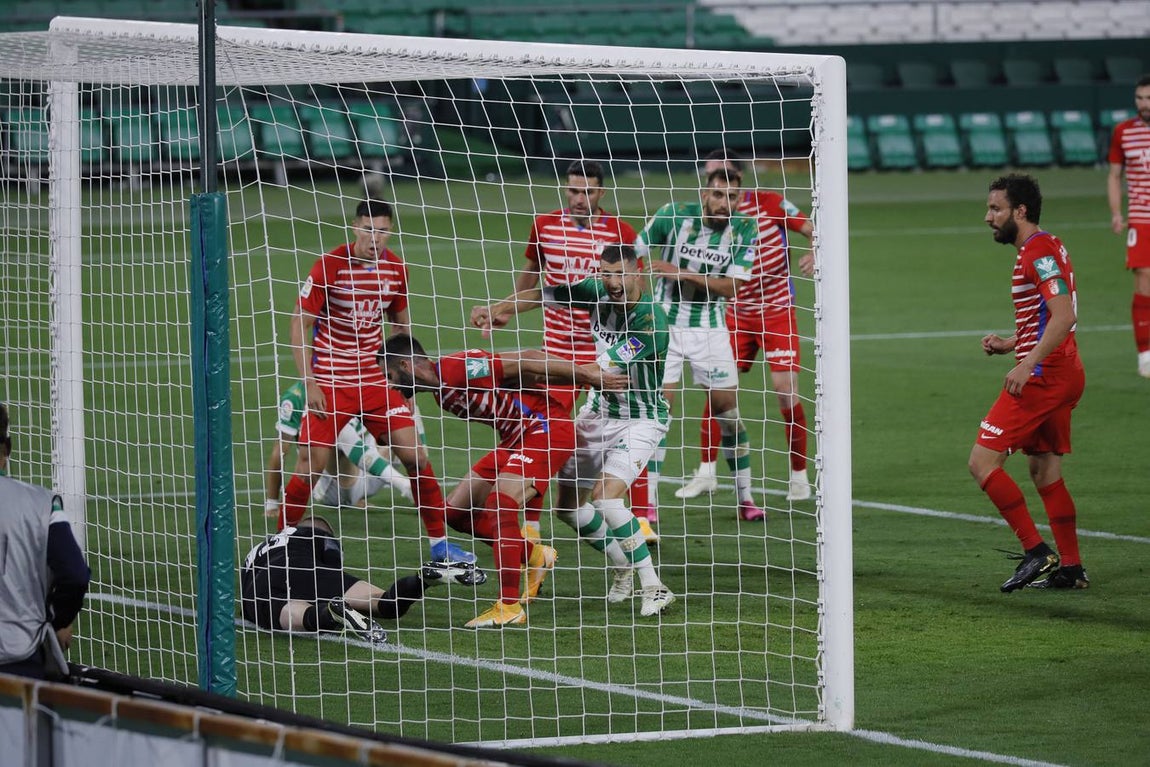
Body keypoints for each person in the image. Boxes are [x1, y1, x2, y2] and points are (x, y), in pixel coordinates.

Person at [473, 244, 676, 617]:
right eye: (606, 274)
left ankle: (654, 586)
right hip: (598, 413)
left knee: (606, 498)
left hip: (641, 419)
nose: (612, 283)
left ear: (637, 273)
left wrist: (531, 367)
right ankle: (622, 567)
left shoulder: (651, 323)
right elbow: (544, 294)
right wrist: (500, 309)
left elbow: (598, 369)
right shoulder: (595, 289)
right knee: (567, 508)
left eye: (620, 274)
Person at [380, 334, 630, 628]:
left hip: (545, 428)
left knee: (501, 504)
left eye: (390, 376)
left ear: (405, 364)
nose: (391, 385)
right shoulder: (441, 395)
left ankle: (509, 606)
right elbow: (527, 377)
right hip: (516, 440)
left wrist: (587, 374)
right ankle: (535, 555)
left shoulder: (457, 368)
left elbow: (527, 359)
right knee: (456, 512)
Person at [279, 198, 474, 566]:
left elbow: (400, 328)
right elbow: (297, 322)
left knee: (416, 456)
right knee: (310, 465)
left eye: (382, 230)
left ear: (390, 230)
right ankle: (277, 546)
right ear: (355, 228)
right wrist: (310, 381)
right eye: (368, 229)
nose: (375, 237)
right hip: (332, 381)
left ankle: (440, 546)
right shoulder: (331, 265)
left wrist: (409, 384)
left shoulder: (396, 269)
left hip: (375, 381)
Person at [473, 160, 657, 542]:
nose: (579, 198)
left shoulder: (619, 232)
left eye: (587, 191)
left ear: (601, 193)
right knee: (539, 434)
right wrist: (502, 308)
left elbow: (637, 289)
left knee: (628, 425)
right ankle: (531, 529)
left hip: (604, 353)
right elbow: (531, 280)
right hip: (555, 354)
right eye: (573, 190)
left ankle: (639, 520)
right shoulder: (544, 226)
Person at [969, 174, 1088, 592]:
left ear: (1020, 211)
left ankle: (1037, 552)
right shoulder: (1045, 246)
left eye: (996, 209)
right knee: (1045, 472)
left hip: (1044, 376)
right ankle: (1071, 569)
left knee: (982, 463)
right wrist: (1010, 344)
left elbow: (1063, 316)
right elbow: (1047, 316)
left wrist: (1026, 364)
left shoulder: (1036, 252)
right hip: (1062, 370)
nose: (988, 217)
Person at [676, 149, 815, 504]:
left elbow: (813, 228)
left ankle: (799, 477)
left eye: (722, 175)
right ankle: (706, 472)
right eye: (710, 178)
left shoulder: (769, 203)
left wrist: (816, 251)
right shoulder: (706, 218)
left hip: (776, 309)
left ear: (739, 178)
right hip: (734, 311)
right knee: (716, 388)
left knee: (786, 390)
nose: (715, 184)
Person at [636, 167, 767, 522]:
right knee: (658, 416)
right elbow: (634, 252)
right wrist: (637, 294)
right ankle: (647, 504)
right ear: (704, 194)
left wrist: (683, 273)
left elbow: (732, 287)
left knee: (729, 415)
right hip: (664, 329)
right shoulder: (672, 216)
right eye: (718, 195)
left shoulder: (745, 228)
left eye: (733, 197)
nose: (726, 203)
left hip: (710, 330)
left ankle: (745, 498)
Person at [240, 515, 484, 644]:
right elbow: (333, 559)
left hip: (257, 586)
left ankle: (333, 612)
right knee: (386, 603)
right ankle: (425, 579)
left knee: (303, 617)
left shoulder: (260, 547)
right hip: (305, 568)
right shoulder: (312, 533)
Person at [0, 403, 91, 679]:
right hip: (20, 659)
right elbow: (75, 575)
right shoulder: (42, 504)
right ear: (7, 449)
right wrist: (55, 621)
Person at [264, 379, 412, 521]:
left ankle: (420, 487)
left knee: (402, 411)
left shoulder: (355, 385)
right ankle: (405, 486)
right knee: (335, 426)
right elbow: (280, 452)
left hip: (363, 480)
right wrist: (272, 503)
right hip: (329, 488)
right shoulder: (295, 397)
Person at [1106, 73, 1150, 378]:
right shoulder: (1123, 132)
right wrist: (1116, 212)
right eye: (1140, 98)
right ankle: (1145, 354)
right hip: (1142, 218)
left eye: (1148, 98)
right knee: (1143, 281)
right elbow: (1113, 175)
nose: (1143, 104)